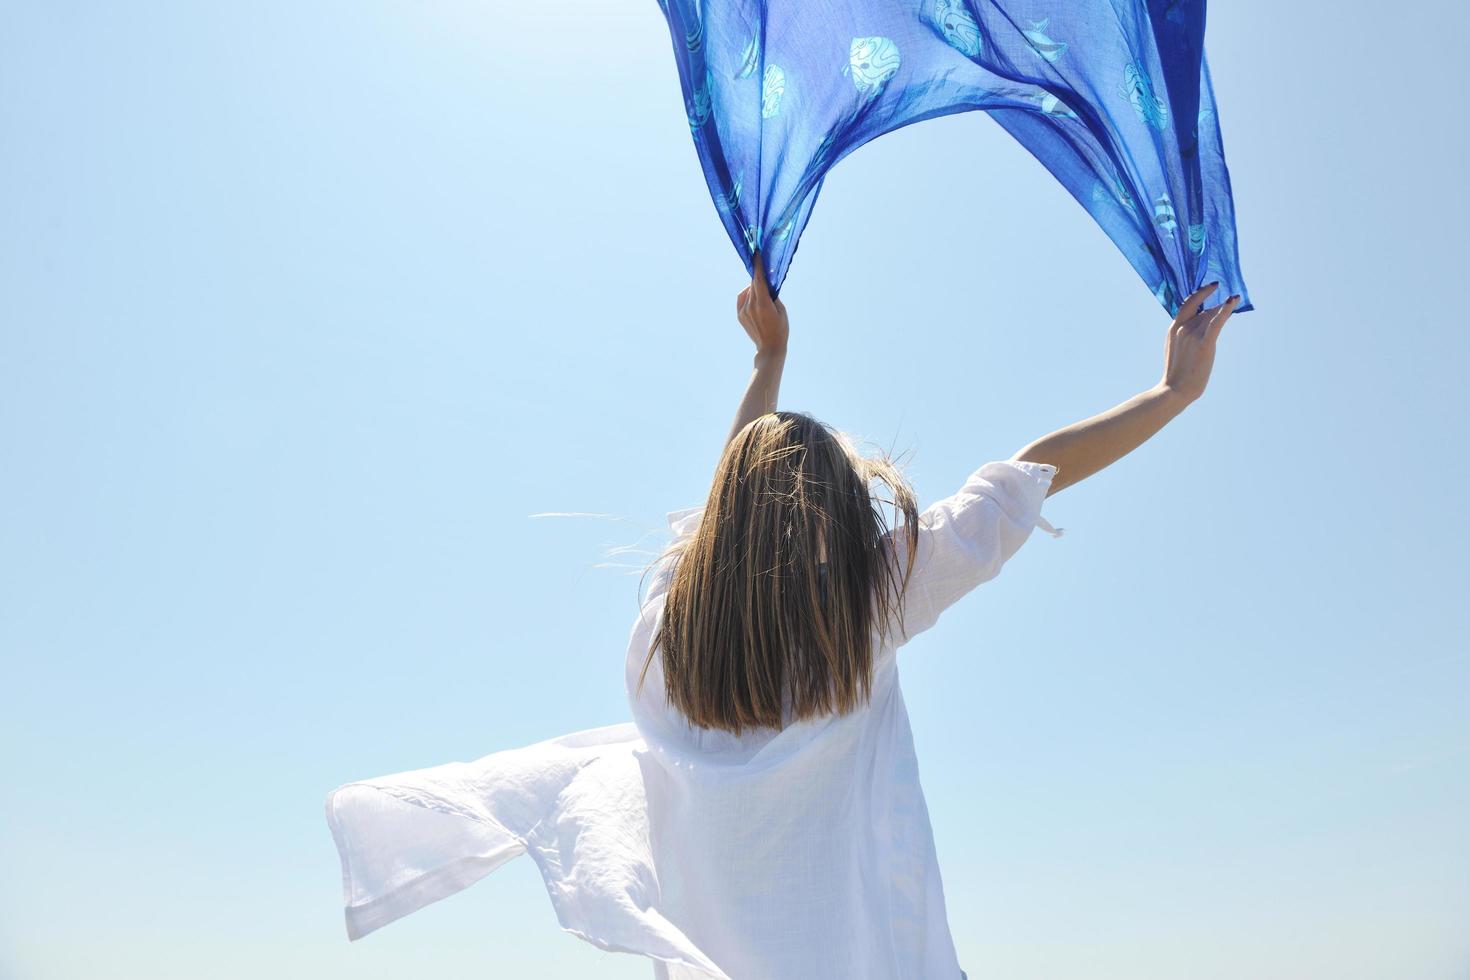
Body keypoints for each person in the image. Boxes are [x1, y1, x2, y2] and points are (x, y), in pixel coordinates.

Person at [324, 256, 1240, 979]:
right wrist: (1173, 393)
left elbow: (723, 515)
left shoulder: (662, 640)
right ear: (842, 516)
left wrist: (767, 360)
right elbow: (1019, 478)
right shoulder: (863, 609)